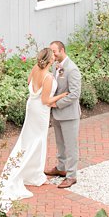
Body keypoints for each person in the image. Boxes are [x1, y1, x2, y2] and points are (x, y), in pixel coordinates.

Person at [0, 47, 60, 210]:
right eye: (53, 56)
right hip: (40, 111)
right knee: (37, 141)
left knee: (27, 139)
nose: (55, 57)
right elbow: (46, 100)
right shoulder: (48, 77)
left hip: (31, 106)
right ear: (50, 59)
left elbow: (29, 84)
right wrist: (62, 95)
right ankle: (33, 174)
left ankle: (33, 173)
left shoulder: (34, 69)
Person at [47, 40, 83, 188]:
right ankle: (61, 168)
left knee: (71, 146)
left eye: (54, 51)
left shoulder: (72, 69)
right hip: (57, 114)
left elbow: (75, 94)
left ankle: (71, 175)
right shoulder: (57, 67)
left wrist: (57, 103)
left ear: (62, 50)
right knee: (60, 144)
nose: (52, 54)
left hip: (69, 114)